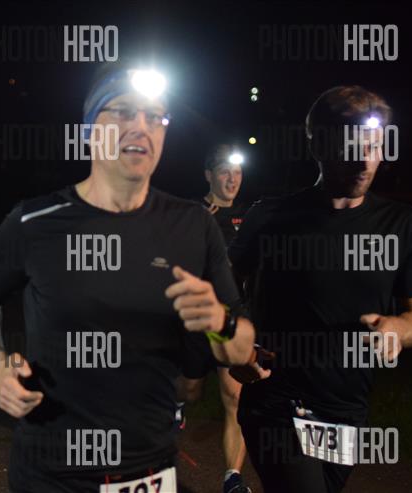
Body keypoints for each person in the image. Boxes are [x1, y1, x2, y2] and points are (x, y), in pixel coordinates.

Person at [0, 61, 259, 493]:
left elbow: (241, 347)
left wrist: (219, 322)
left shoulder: (194, 226)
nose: (141, 126)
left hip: (149, 471)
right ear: (88, 130)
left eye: (155, 117)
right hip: (51, 471)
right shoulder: (35, 221)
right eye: (123, 112)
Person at [229, 86, 412, 492]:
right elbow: (213, 298)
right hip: (278, 403)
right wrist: (231, 346)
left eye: (374, 147)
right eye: (351, 147)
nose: (364, 161)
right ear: (317, 145)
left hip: (347, 412)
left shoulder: (402, 223)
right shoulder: (270, 217)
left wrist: (398, 330)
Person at [174, 144, 252, 493]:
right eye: (224, 172)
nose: (232, 179)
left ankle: (233, 478)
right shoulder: (191, 211)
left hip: (233, 321)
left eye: (237, 172)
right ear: (209, 175)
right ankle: (177, 401)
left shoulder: (250, 216)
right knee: (191, 390)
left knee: (235, 397)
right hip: (195, 319)